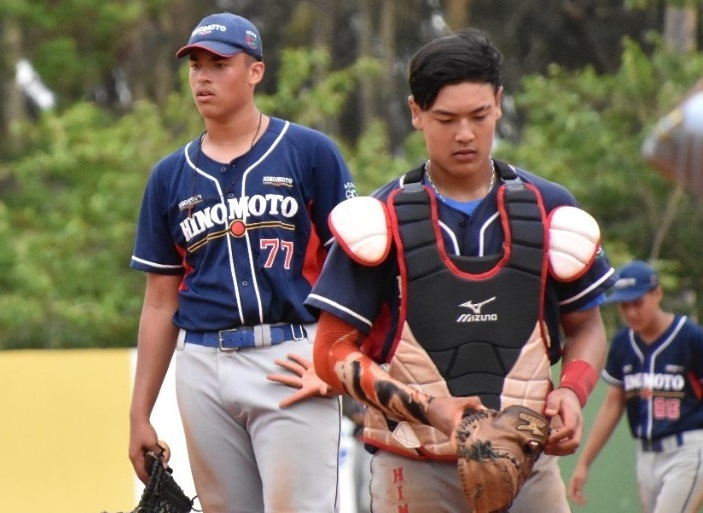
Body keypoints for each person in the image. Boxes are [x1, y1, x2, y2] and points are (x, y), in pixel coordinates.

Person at [306, 28, 617, 513]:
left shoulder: (550, 209)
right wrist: (431, 409)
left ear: (498, 101)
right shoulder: (380, 218)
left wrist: (574, 393)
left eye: (478, 115)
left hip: (529, 464)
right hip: (415, 463)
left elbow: (587, 327)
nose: (465, 134)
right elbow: (329, 351)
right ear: (415, 112)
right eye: (445, 118)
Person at [128, 12, 357, 513]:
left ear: (255, 71)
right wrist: (140, 414)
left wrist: (334, 358)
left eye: (220, 63)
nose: (203, 77)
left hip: (289, 355)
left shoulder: (309, 152)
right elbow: (159, 301)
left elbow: (354, 263)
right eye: (196, 66)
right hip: (202, 366)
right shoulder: (169, 176)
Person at [568, 260, 703, 513]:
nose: (631, 312)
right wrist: (584, 463)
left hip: (687, 450)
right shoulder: (623, 342)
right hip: (646, 455)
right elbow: (612, 404)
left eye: (637, 302)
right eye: (624, 305)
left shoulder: (691, 337)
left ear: (657, 294)